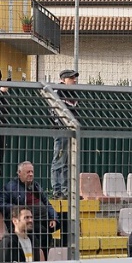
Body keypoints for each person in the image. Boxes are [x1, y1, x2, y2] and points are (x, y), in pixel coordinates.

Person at [0, 160, 63, 255]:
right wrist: (20, 209)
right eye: (28, 172)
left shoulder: (36, 186)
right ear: (19, 173)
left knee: (65, 220)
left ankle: (67, 252)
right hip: (30, 220)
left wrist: (53, 218)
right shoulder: (10, 187)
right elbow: (0, 203)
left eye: (32, 172)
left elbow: (47, 203)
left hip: (45, 219)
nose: (31, 174)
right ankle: (42, 257)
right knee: (42, 232)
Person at [51, 69, 78, 198]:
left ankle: (66, 190)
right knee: (59, 160)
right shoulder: (57, 91)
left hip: (71, 131)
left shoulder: (73, 93)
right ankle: (57, 191)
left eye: (74, 78)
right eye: (71, 78)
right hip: (61, 130)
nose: (74, 80)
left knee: (67, 161)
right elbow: (55, 112)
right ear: (63, 79)